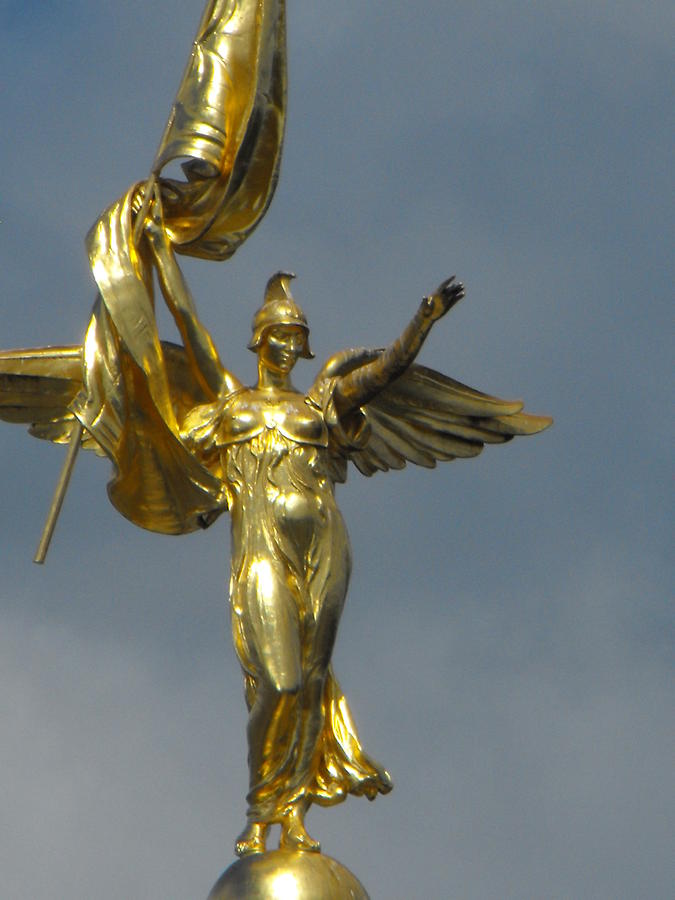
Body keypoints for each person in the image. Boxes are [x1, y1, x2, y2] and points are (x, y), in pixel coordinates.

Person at [145, 207, 465, 855]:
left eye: (298, 335)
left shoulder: (320, 406)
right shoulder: (230, 403)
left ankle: (289, 813)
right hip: (261, 550)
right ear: (259, 342)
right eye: (280, 334)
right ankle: (262, 805)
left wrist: (422, 321)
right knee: (279, 680)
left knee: (312, 678)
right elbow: (187, 324)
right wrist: (157, 254)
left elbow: (386, 372)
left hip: (324, 544)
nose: (289, 343)